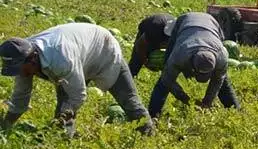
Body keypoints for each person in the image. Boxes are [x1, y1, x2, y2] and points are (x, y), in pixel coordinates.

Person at [0, 23, 154, 136]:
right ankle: (65, 139)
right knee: (64, 100)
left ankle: (148, 133)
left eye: (20, 69)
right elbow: (21, 97)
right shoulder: (21, 56)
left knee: (128, 99)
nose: (19, 73)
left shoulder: (61, 59)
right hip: (78, 52)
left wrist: (61, 117)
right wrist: (5, 126)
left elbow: (78, 95)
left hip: (103, 48)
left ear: (32, 59)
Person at [146, 12, 241, 118]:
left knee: (223, 79)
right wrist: (185, 99)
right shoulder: (180, 55)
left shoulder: (221, 56)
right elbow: (167, 80)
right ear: (191, 64)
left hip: (211, 23)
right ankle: (153, 116)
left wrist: (207, 103)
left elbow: (217, 80)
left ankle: (235, 112)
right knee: (163, 83)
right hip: (185, 22)